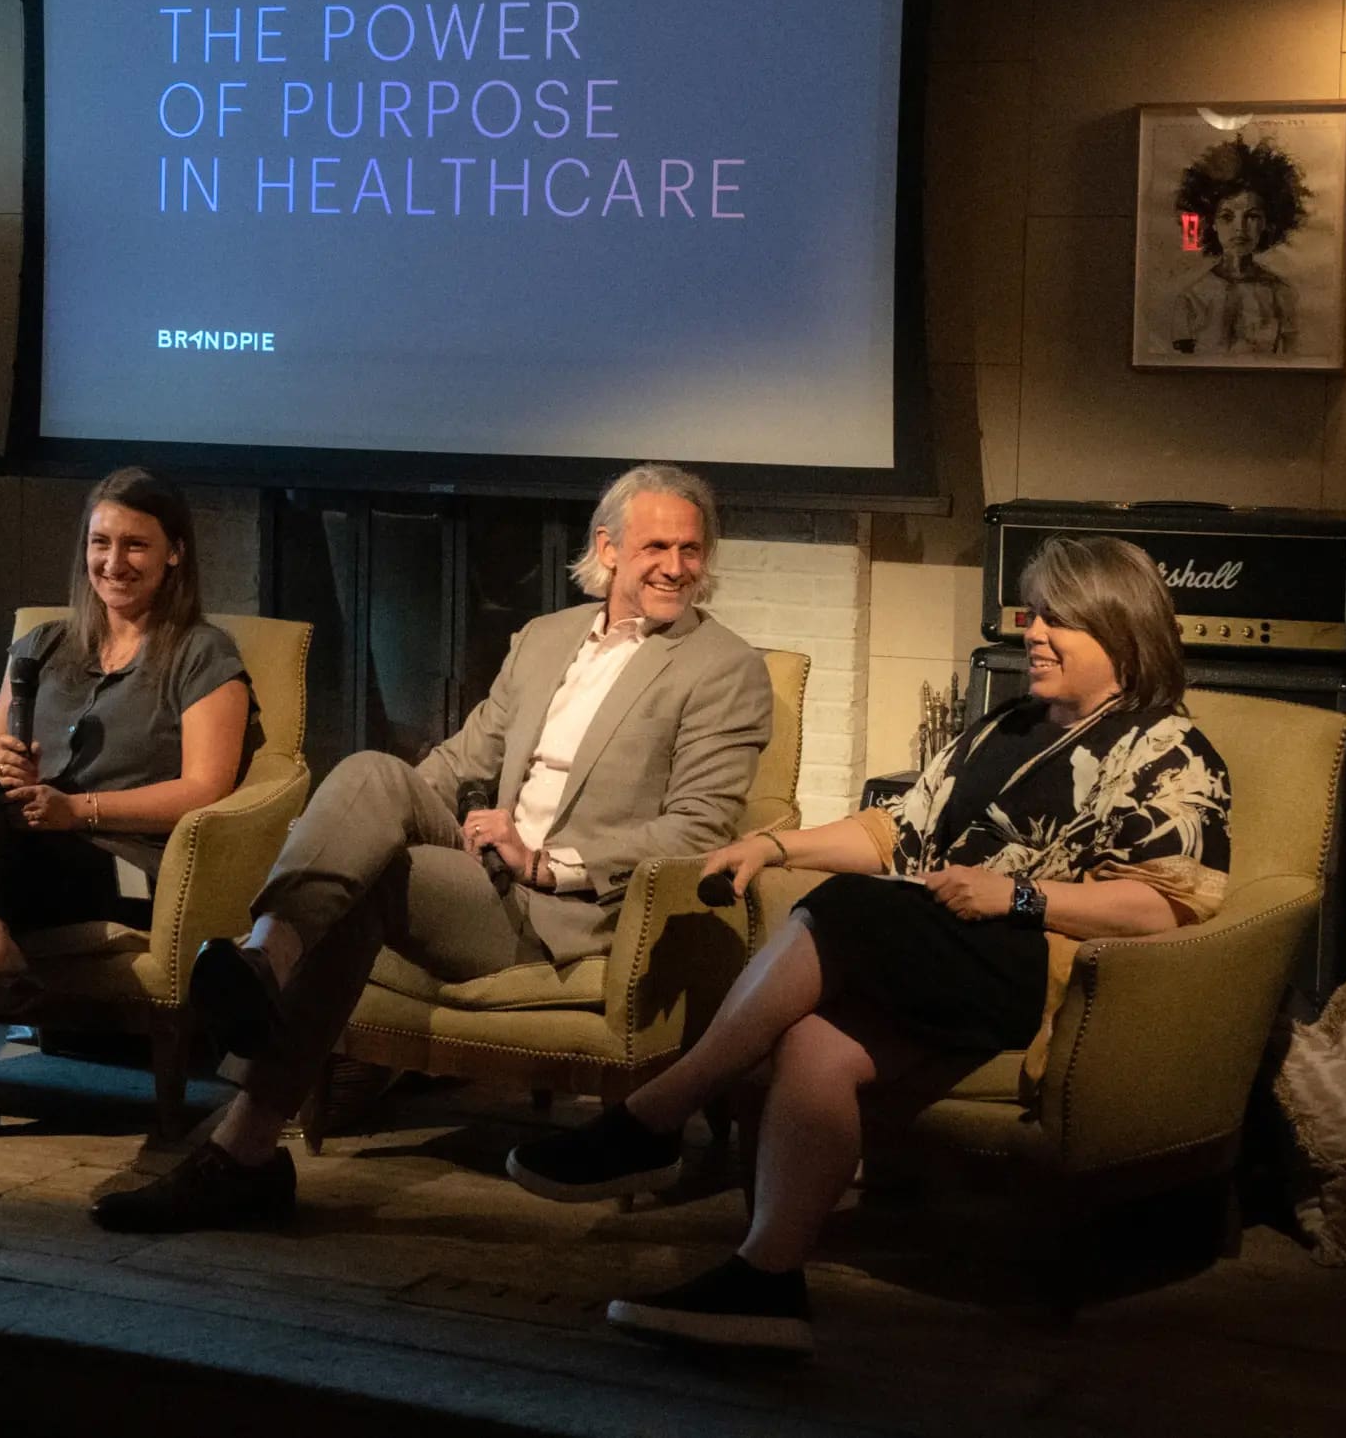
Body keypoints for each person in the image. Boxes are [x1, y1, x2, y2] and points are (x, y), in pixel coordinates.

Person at [506, 535, 1231, 1356]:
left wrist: (1018, 895)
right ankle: (767, 1282)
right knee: (817, 1041)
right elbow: (894, 829)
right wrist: (774, 849)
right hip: (945, 951)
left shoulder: (1168, 748)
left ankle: (656, 1113)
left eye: (1060, 619)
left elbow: (1168, 906)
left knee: (847, 908)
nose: (1034, 631)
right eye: (1035, 614)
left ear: (1120, 630)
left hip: (1041, 965)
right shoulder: (1007, 725)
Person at [92, 462, 775, 1232]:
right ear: (609, 548)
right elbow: (459, 762)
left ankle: (243, 1140)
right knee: (373, 780)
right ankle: (265, 967)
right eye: (658, 547)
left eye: (691, 550)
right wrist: (366, 824)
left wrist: (545, 861)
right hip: (484, 865)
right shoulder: (546, 639)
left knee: (376, 875)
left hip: (563, 907)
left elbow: (698, 828)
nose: (678, 567)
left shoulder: (725, 669)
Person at [0, 467, 259, 1151]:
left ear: (175, 552)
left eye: (135, 546)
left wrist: (81, 810)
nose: (113, 562)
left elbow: (207, 789)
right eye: (101, 543)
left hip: (126, 865)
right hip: (30, 847)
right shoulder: (43, 646)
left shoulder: (202, 653)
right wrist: (5, 769)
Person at [1170, 135, 1309, 356]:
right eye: (1226, 216)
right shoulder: (1192, 298)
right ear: (1211, 223)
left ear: (1267, 222)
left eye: (1252, 216)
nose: (1239, 228)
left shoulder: (1281, 294)